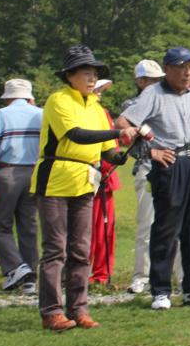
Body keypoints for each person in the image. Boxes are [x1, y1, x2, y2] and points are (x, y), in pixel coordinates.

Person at [116, 46, 190, 311]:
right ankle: (160, 290)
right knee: (166, 228)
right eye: (182, 67)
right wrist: (151, 149)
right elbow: (123, 122)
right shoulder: (152, 94)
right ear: (167, 69)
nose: (187, 72)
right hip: (169, 163)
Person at [33, 46, 139, 330]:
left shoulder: (96, 107)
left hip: (84, 180)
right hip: (55, 177)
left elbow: (108, 153)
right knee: (55, 249)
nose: (92, 78)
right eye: (86, 72)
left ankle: (78, 309)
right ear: (69, 76)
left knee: (81, 249)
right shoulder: (58, 100)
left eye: (94, 73)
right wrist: (119, 132)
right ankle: (51, 312)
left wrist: (128, 149)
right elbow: (77, 136)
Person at [0, 78, 41, 294]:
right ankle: (30, 279)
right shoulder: (40, 113)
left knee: (1, 223)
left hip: (8, 171)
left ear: (8, 97)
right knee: (28, 224)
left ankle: (16, 267)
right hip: (34, 172)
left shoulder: (0, 115)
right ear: (29, 96)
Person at [124, 59, 167, 294]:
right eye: (151, 80)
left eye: (158, 80)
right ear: (140, 81)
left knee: (175, 224)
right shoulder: (131, 105)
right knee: (146, 225)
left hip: (171, 165)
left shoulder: (167, 101)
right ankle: (141, 276)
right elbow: (128, 135)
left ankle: (179, 275)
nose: (155, 84)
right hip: (146, 166)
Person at [87, 78, 120, 284]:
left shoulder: (101, 112)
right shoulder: (89, 113)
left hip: (104, 174)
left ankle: (101, 273)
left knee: (104, 229)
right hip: (92, 174)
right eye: (98, 90)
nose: (100, 93)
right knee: (89, 228)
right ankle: (89, 272)